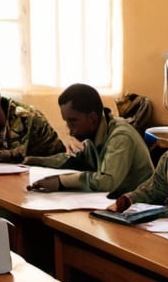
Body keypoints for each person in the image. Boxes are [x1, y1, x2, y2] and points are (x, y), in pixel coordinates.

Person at [24, 83, 153, 197]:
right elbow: (73, 161)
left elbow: (106, 182)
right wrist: (35, 161)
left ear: (92, 118)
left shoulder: (121, 137)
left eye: (73, 121)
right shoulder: (95, 134)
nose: (69, 130)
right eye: (66, 122)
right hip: (114, 204)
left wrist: (60, 181)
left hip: (140, 208)